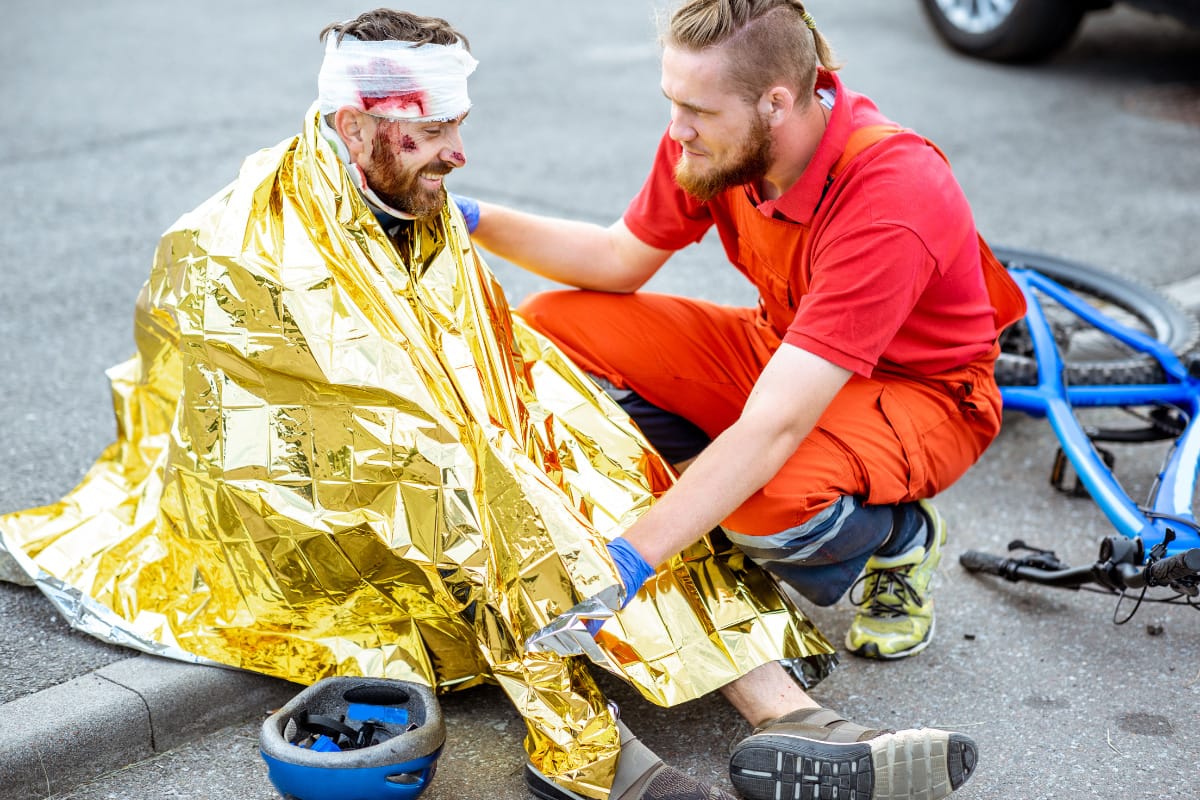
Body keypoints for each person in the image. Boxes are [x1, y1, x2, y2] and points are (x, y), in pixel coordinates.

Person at [0, 8, 847, 800]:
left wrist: (601, 496)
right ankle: (583, 745)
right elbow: (379, 438)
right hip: (295, 499)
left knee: (595, 452)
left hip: (416, 459)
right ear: (352, 127)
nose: (458, 152)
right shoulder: (246, 251)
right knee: (477, 493)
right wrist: (530, 494)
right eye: (436, 131)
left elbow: (494, 372)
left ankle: (777, 706)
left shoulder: (410, 198)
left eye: (459, 126)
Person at [457, 1, 1025, 798]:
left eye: (695, 110)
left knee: (762, 504)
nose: (676, 128)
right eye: (671, 102)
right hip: (786, 347)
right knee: (555, 324)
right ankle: (698, 484)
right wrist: (467, 216)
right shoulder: (719, 144)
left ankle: (898, 532)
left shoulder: (891, 190)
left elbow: (774, 425)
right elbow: (617, 260)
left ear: (777, 103)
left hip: (919, 393)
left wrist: (631, 559)